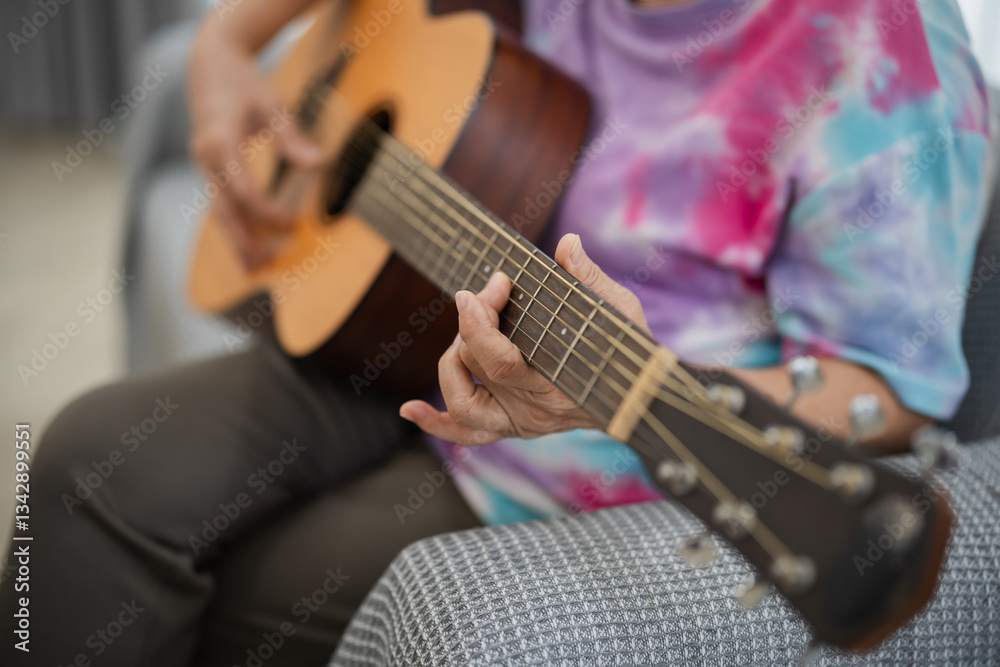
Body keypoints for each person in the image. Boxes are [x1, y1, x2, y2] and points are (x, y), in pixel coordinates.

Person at [1, 0, 991, 664]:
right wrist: (223, 46)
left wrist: (616, 385)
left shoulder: (880, 61)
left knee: (249, 586)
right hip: (387, 315)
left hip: (561, 438)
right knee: (86, 457)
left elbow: (888, 387)